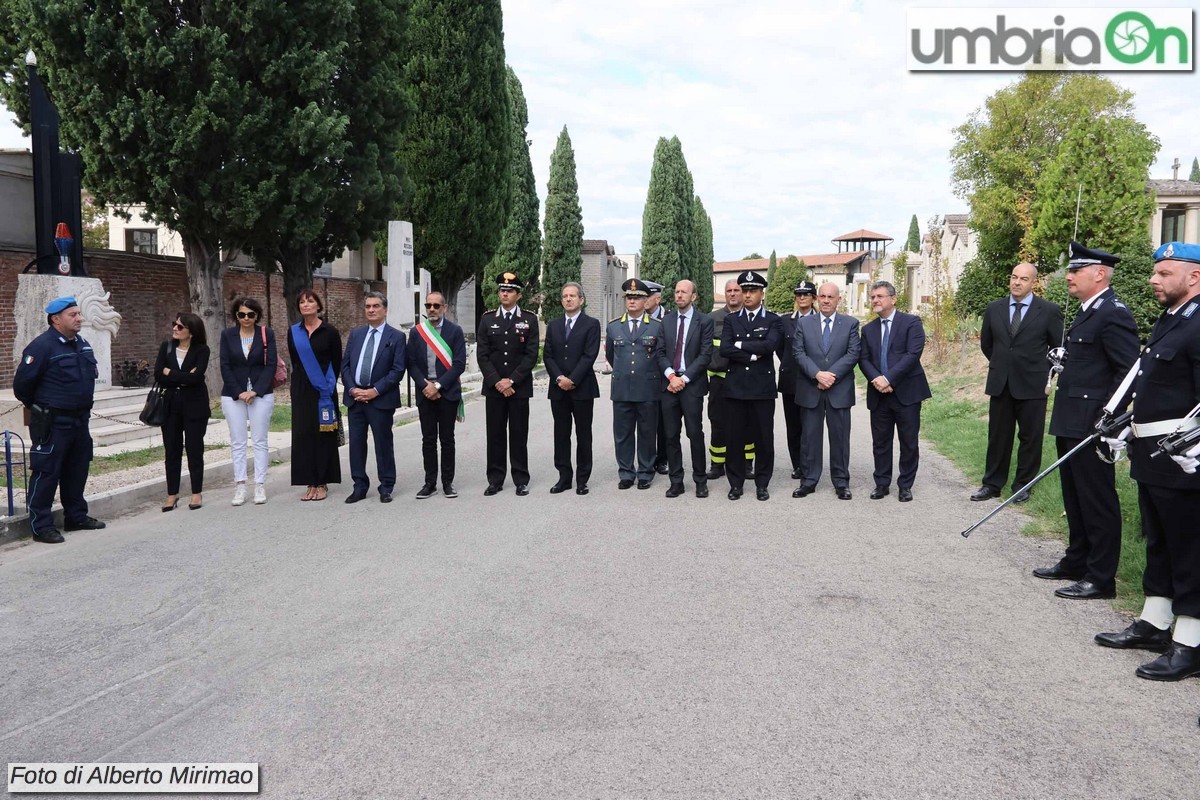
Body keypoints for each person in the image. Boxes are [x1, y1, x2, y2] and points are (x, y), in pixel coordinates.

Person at [1095, 242, 1200, 681]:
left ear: (1194, 276)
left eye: (1165, 273)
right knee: (1158, 541)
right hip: (1150, 454)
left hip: (1183, 459)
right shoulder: (1169, 321)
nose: (1154, 280)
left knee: (1190, 550)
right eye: (1155, 272)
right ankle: (1155, 623)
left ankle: (1190, 642)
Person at [1034, 243, 1138, 600]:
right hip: (1070, 417)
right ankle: (1076, 559)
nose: (1068, 276)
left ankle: (1100, 577)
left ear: (1099, 274)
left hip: (1093, 423)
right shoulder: (1086, 311)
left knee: (1097, 499)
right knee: (1074, 495)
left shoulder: (1113, 313)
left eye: (1076, 270)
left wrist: (1107, 419)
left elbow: (1128, 372)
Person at [13, 297, 105, 543]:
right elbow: (22, 386)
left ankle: (76, 517)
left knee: (77, 470)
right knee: (47, 472)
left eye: (78, 314)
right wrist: (44, 407)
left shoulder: (82, 344)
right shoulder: (42, 347)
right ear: (56, 319)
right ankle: (41, 526)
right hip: (53, 422)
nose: (78, 318)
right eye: (72, 315)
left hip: (80, 420)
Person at [972, 263, 1064, 503]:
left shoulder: (1048, 311)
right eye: (1014, 277)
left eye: (1023, 279)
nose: (1017, 282)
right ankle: (992, 484)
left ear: (1034, 283)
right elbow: (987, 345)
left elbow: (1058, 349)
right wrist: (1003, 364)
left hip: (1033, 384)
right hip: (1001, 382)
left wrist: (1044, 374)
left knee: (1030, 437)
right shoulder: (995, 308)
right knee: (998, 436)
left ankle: (1023, 485)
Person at [858, 280, 932, 503]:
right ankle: (882, 484)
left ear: (893, 298)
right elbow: (863, 359)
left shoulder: (911, 323)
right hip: (879, 394)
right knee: (880, 442)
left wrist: (889, 378)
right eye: (872, 297)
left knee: (908, 441)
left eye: (879, 296)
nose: (875, 301)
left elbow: (912, 354)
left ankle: (905, 485)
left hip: (907, 392)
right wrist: (877, 380)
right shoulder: (868, 329)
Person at [792, 282, 861, 500]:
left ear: (838, 299)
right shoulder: (804, 324)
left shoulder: (850, 323)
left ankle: (841, 482)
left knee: (840, 438)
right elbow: (798, 352)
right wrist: (817, 374)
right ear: (816, 298)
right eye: (822, 296)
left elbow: (852, 354)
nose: (826, 300)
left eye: (831, 296)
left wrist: (830, 376)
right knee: (810, 438)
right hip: (811, 388)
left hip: (838, 390)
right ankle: (809, 481)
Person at [720, 270, 781, 501]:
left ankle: (762, 483)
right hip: (735, 388)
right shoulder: (731, 319)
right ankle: (735, 483)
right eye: (744, 290)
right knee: (734, 438)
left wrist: (740, 344)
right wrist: (752, 355)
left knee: (764, 438)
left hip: (761, 389)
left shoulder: (772, 320)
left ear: (761, 293)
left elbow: (770, 346)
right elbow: (725, 349)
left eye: (752, 291)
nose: (746, 295)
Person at [340, 291, 406, 503]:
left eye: (376, 306)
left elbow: (397, 371)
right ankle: (359, 485)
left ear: (385, 310)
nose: (371, 310)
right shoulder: (356, 334)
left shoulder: (396, 337)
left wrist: (374, 391)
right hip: (356, 398)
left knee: (383, 443)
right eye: (368, 306)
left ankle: (386, 485)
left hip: (380, 399)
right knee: (356, 443)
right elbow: (346, 365)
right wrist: (352, 389)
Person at [477, 272, 540, 496]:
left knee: (518, 434)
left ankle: (520, 479)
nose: (504, 293)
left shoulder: (529, 319)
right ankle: (495, 479)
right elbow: (483, 355)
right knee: (495, 435)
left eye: (510, 290)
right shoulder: (487, 319)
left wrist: (511, 380)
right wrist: (497, 382)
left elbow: (531, 355)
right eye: (502, 290)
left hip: (518, 388)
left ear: (518, 295)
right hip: (495, 389)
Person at [605, 278, 665, 490]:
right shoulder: (613, 326)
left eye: (637, 297)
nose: (632, 301)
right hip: (622, 389)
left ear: (646, 300)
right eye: (629, 297)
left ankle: (646, 472)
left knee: (648, 433)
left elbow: (661, 356)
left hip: (648, 389)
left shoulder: (657, 326)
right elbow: (612, 356)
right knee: (622, 434)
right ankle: (626, 473)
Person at [406, 291, 467, 499]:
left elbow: (459, 364)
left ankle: (448, 483)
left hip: (447, 393)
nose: (431, 309)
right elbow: (411, 363)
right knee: (428, 440)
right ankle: (429, 483)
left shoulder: (455, 331)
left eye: (436, 306)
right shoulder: (417, 332)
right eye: (428, 305)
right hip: (425, 393)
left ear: (444, 308)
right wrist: (426, 386)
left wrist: (438, 386)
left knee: (447, 439)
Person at [543, 282, 601, 496]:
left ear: (581, 300)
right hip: (558, 390)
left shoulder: (591, 324)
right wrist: (559, 378)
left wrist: (572, 380)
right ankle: (564, 477)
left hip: (582, 388)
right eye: (565, 296)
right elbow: (547, 355)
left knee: (583, 434)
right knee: (561, 433)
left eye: (573, 296)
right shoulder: (554, 325)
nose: (568, 299)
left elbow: (589, 355)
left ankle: (582, 479)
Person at [219, 297, 277, 506]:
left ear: (256, 315)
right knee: (238, 442)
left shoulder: (266, 334)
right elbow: (224, 365)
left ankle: (259, 484)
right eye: (242, 314)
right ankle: (240, 486)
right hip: (233, 395)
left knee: (260, 441)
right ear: (236, 315)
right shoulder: (227, 335)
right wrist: (239, 392)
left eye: (250, 314)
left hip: (261, 394)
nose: (246, 318)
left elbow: (270, 365)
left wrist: (255, 391)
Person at [660, 279, 714, 498]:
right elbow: (660, 353)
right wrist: (672, 377)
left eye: (684, 292)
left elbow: (705, 354)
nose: (679, 295)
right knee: (671, 435)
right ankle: (676, 481)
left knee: (695, 433)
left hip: (691, 386)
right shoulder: (666, 321)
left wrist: (685, 378)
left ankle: (700, 480)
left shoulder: (704, 321)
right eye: (676, 292)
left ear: (693, 297)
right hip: (669, 386)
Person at [287, 289, 342, 502]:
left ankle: (323, 482)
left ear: (319, 305)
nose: (306, 305)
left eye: (310, 301)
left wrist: (326, 387)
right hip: (301, 389)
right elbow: (295, 362)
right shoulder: (294, 332)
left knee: (322, 435)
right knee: (304, 434)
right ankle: (310, 481)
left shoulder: (330, 331)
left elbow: (335, 362)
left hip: (324, 391)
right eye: (301, 302)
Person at [155, 312, 211, 511]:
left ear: (192, 331)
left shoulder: (202, 350)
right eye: (174, 324)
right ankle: (172, 494)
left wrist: (172, 373)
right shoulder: (166, 347)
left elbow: (197, 379)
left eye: (180, 326)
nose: (175, 329)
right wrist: (185, 376)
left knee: (195, 449)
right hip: (170, 406)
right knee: (172, 450)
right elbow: (158, 374)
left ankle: (196, 493)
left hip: (195, 406)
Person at [706, 280, 753, 478]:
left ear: (743, 293)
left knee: (747, 423)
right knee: (718, 422)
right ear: (724, 294)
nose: (733, 294)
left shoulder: (751, 318)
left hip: (744, 379)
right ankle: (717, 464)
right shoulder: (712, 318)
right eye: (729, 291)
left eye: (737, 290)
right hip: (719, 382)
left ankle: (746, 462)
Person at [778, 280, 816, 481]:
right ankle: (798, 466)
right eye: (799, 294)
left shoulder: (819, 319)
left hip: (812, 380)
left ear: (813, 298)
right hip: (790, 380)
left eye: (806, 294)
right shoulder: (785, 321)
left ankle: (809, 463)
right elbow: (780, 348)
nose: (802, 298)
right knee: (793, 427)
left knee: (810, 426)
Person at [644, 279, 670, 475]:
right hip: (642, 376)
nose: (643, 300)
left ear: (657, 298)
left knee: (663, 421)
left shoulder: (669, 318)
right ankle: (646, 458)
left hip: (663, 376)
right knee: (645, 421)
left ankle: (662, 459)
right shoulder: (636, 317)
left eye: (647, 296)